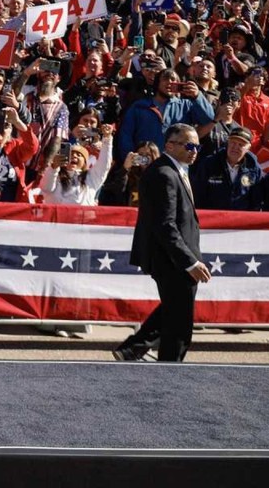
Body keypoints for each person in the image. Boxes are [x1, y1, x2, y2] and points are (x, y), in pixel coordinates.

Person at [114, 124, 212, 363]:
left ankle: (133, 348)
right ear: (169, 145)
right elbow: (165, 224)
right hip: (171, 259)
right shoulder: (164, 174)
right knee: (179, 325)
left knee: (173, 311)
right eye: (189, 145)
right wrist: (189, 262)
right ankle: (169, 370)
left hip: (177, 256)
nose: (194, 151)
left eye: (197, 146)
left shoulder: (176, 170)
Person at [191, 127, 263, 211]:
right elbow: (197, 195)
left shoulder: (254, 169)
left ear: (248, 148)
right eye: (233, 142)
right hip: (212, 219)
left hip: (241, 220)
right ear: (227, 143)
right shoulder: (209, 164)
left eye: (241, 145)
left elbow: (257, 201)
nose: (235, 147)